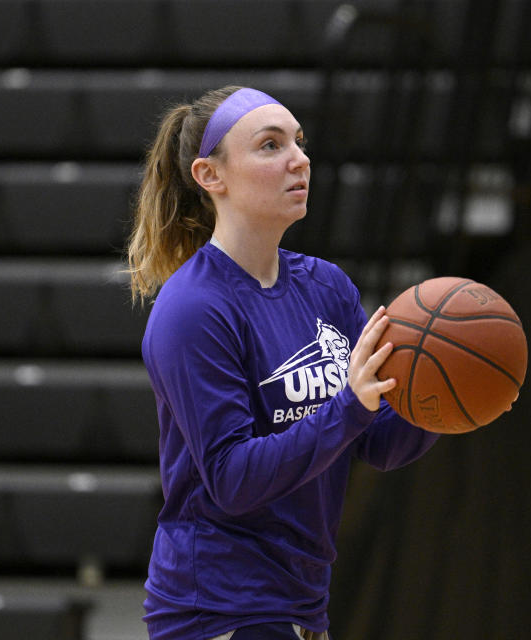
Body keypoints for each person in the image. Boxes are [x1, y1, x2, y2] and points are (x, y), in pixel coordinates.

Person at [126, 86, 439, 640]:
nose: (300, 159)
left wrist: (442, 397)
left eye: (299, 141)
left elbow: (377, 443)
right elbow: (231, 479)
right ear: (210, 176)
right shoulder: (194, 308)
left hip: (299, 606)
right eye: (270, 145)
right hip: (219, 611)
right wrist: (348, 408)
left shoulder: (327, 287)